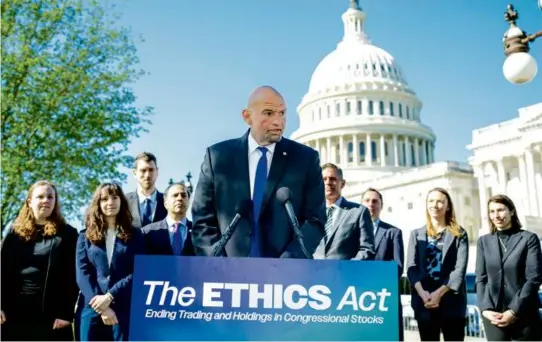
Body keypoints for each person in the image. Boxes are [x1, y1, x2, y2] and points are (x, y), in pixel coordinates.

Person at [191, 85, 326, 258]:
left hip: (284, 275)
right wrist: (216, 263)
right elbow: (202, 217)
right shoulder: (218, 157)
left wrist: (289, 262)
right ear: (247, 116)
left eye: (282, 113)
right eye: (269, 113)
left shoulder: (305, 159)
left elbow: (315, 219)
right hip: (226, 273)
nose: (278, 121)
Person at [1, 180, 79, 341]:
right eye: (40, 196)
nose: (46, 200)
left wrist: (66, 313)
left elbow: (73, 276)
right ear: (29, 202)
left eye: (50, 197)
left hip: (53, 319)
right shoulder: (14, 234)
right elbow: (2, 271)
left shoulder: (68, 234)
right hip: (14, 315)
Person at [76, 182, 145, 341]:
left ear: (121, 201)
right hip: (91, 309)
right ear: (97, 204)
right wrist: (102, 307)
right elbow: (83, 273)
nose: (110, 203)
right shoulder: (84, 236)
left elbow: (138, 271)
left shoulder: (136, 235)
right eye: (104, 199)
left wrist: (110, 297)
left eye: (115, 197)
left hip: (123, 307)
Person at [475, 194, 542, 341]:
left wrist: (513, 311)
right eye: (492, 211)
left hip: (524, 312)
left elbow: (534, 278)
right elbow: (481, 279)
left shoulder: (528, 238)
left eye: (500, 210)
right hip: (493, 315)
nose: (496, 215)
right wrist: (485, 309)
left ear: (511, 211)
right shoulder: (483, 242)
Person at [406, 187, 469, 341]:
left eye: (440, 201)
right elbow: (411, 268)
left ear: (448, 206)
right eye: (431, 201)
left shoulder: (459, 234)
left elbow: (459, 269)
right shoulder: (416, 234)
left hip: (451, 301)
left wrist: (438, 294)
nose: (435, 205)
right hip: (424, 302)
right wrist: (423, 294)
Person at [361, 187, 404, 341]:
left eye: (375, 201)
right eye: (367, 201)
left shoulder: (393, 232)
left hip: (384, 297)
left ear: (381, 206)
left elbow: (398, 267)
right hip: (358, 298)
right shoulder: (352, 233)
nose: (371, 204)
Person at [313, 163, 374, 260]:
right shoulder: (310, 213)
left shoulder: (359, 212)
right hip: (314, 272)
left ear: (342, 183)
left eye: (333, 179)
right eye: (324, 179)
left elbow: (367, 249)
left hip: (345, 273)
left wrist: (347, 268)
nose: (328, 182)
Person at [142, 182, 195, 255]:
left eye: (183, 195)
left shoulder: (200, 231)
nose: (179, 198)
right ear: (165, 203)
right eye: (175, 195)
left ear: (188, 201)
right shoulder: (147, 232)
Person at [125, 152, 167, 229]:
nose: (147, 175)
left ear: (157, 172)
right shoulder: (124, 201)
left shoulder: (168, 201)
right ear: (134, 173)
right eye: (143, 170)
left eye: (151, 170)